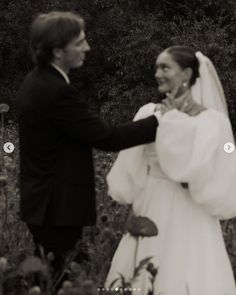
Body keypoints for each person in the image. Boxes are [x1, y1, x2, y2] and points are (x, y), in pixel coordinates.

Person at [17, 11, 161, 277]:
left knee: (54, 277)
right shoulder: (58, 91)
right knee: (61, 281)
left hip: (42, 204)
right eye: (80, 42)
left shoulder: (35, 81)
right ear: (59, 51)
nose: (87, 47)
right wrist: (159, 120)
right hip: (57, 209)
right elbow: (107, 138)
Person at [105, 46, 236, 295]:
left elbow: (211, 166)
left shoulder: (212, 122)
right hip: (152, 204)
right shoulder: (148, 113)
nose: (158, 73)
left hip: (192, 207)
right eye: (156, 67)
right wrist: (130, 195)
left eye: (165, 67)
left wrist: (172, 120)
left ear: (186, 73)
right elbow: (130, 162)